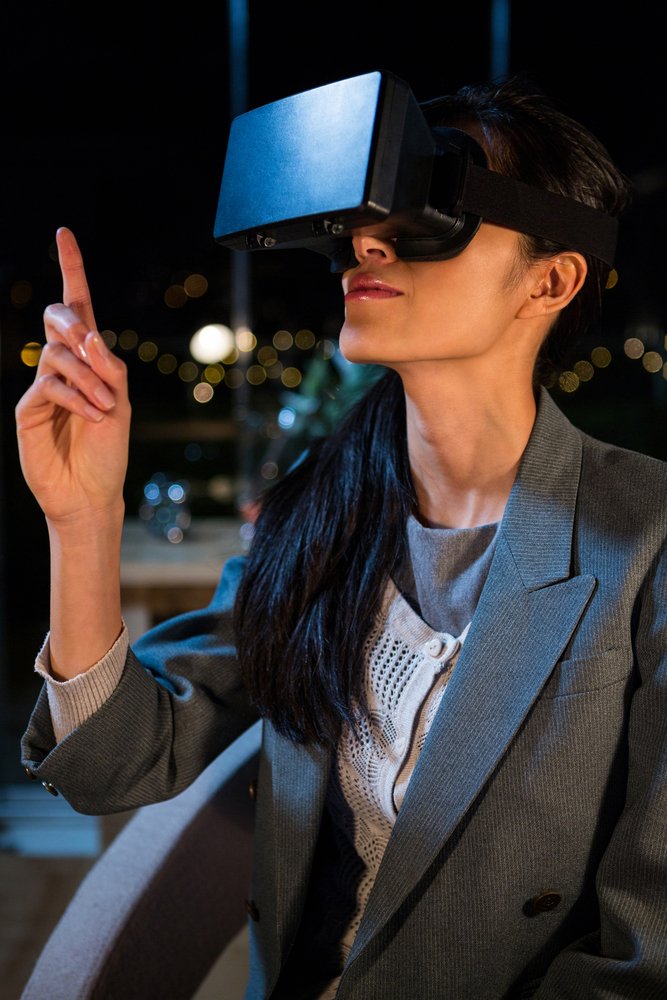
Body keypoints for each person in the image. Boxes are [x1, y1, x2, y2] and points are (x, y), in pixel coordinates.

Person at [16, 74, 667, 1000]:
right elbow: (117, 761)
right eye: (367, 217)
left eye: (427, 214)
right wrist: (81, 522)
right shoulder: (317, 514)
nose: (367, 243)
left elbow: (647, 958)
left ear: (551, 279)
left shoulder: (645, 538)